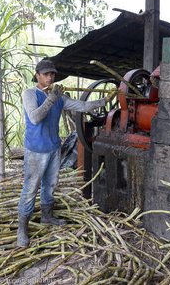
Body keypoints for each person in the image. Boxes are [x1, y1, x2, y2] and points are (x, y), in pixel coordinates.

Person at [17, 59, 116, 248]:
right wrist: (52, 98)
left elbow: (83, 107)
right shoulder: (30, 94)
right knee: (30, 188)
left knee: (50, 185)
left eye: (52, 74)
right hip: (36, 150)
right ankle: (22, 228)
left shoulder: (59, 97)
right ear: (37, 75)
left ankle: (47, 216)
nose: (50, 77)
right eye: (46, 74)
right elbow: (35, 118)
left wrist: (106, 100)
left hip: (54, 148)